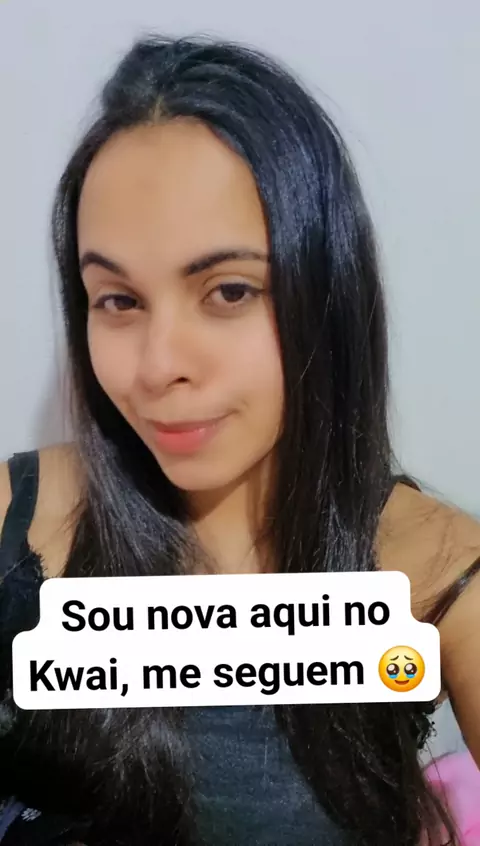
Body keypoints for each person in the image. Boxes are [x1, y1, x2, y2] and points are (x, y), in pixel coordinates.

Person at [0, 32, 479, 846]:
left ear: (325, 289)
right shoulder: (19, 520)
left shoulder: (436, 570)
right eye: (118, 300)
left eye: (228, 291)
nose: (159, 366)